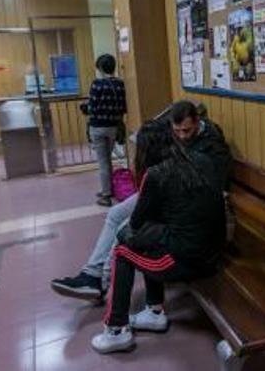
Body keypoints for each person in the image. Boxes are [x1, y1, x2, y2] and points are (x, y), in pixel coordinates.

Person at [50, 100, 231, 299]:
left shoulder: (213, 146)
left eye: (186, 131)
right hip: (167, 186)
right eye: (177, 131)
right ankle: (91, 273)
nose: (182, 136)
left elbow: (213, 185)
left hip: (184, 198)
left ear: (198, 122)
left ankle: (102, 282)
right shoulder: (175, 131)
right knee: (115, 213)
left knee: (129, 226)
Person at [90, 120, 227, 353]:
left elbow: (136, 224)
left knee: (123, 250)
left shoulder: (155, 174)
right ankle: (153, 311)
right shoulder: (201, 161)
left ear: (145, 149)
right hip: (214, 254)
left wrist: (126, 234)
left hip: (189, 262)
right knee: (148, 239)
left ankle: (115, 329)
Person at [87, 54, 127, 206]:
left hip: (98, 127)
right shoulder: (120, 84)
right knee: (108, 159)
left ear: (101, 68)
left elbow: (91, 107)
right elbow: (123, 106)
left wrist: (86, 108)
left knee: (103, 162)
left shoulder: (97, 84)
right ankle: (108, 188)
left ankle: (106, 195)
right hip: (113, 127)